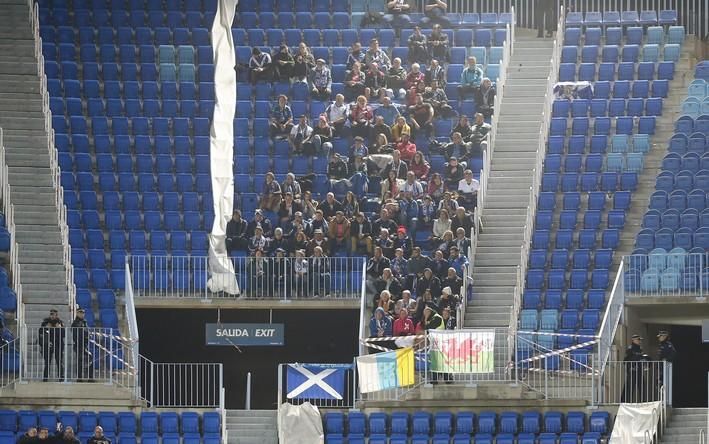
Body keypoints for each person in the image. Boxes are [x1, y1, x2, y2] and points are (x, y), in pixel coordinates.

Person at [623, 334, 651, 403]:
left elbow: (642, 357)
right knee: (630, 388)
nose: (639, 341)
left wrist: (645, 359)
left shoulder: (640, 348)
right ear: (633, 340)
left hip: (639, 370)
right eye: (638, 340)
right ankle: (628, 402)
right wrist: (638, 358)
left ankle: (643, 402)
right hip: (632, 371)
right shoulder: (630, 348)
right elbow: (627, 359)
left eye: (640, 340)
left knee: (642, 387)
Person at [40, 309, 64, 381]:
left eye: (54, 314)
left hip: (58, 344)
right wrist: (46, 327)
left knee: (59, 361)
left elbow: (63, 334)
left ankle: (61, 377)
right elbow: (41, 332)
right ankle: (45, 377)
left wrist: (59, 328)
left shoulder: (60, 323)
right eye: (51, 314)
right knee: (47, 362)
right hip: (48, 344)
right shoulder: (45, 322)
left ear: (57, 315)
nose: (52, 316)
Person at [71, 308, 93, 382]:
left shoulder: (84, 322)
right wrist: (85, 334)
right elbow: (76, 333)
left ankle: (89, 377)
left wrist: (88, 335)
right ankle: (80, 378)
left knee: (89, 359)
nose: (82, 314)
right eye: (80, 312)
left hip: (84, 344)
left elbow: (87, 331)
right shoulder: (76, 322)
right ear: (77, 313)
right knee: (80, 361)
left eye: (83, 312)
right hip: (78, 344)